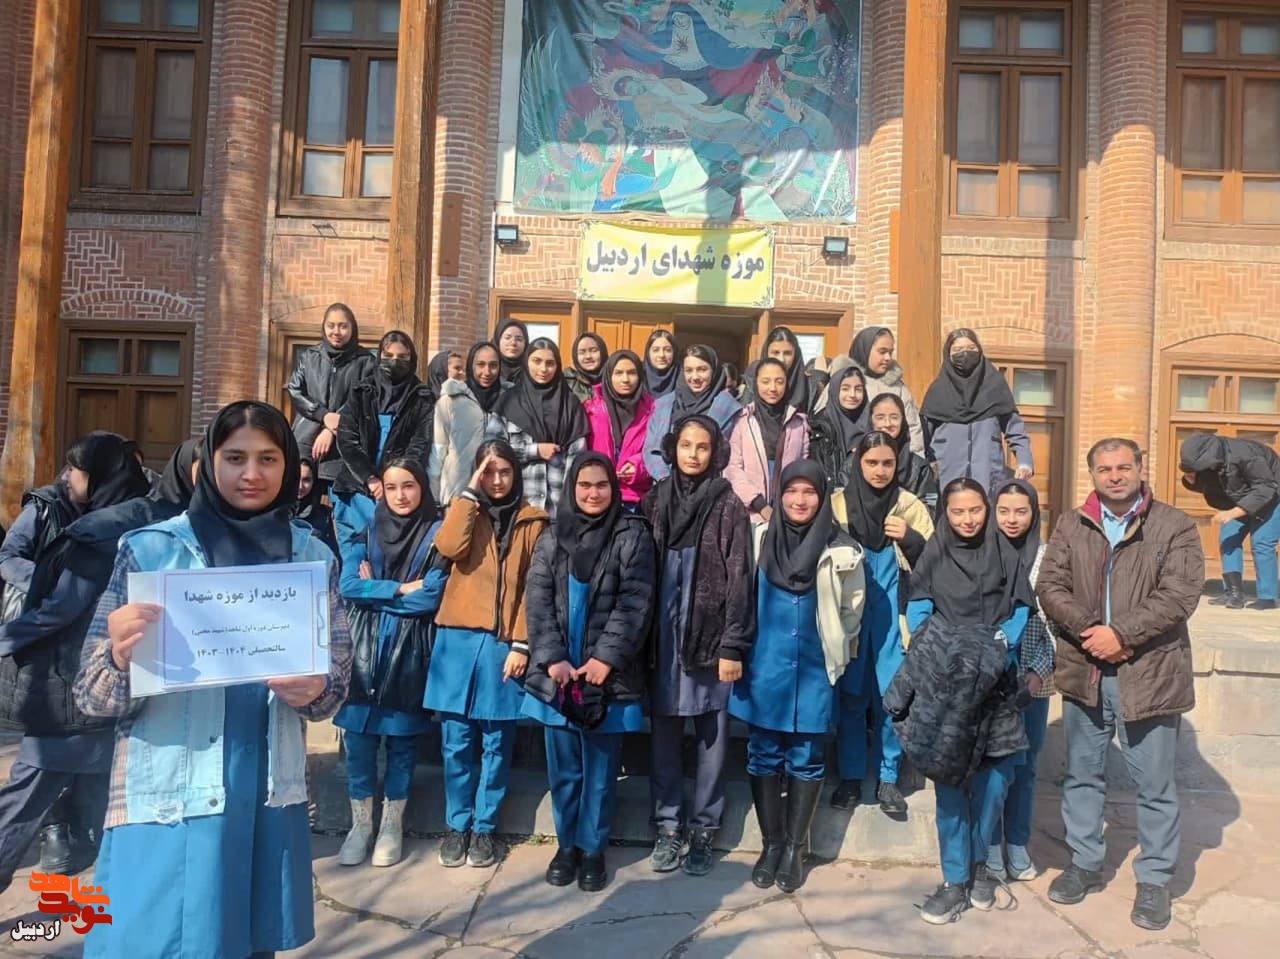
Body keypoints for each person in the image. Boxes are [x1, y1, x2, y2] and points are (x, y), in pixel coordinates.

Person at [73, 400, 353, 958]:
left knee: (247, 942)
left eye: (268, 458)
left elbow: (336, 683)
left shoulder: (311, 557)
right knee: (154, 941)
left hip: (264, 789)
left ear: (289, 465)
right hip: (167, 793)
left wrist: (318, 691)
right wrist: (120, 659)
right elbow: (89, 695)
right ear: (208, 463)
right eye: (235, 457)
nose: (252, 473)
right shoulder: (151, 551)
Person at [1037, 438, 1204, 932]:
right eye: (1105, 469)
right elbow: (1050, 586)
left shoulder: (1174, 525)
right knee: (1082, 776)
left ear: (1139, 468)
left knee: (1154, 785)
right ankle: (1085, 863)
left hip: (1149, 672)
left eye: (1123, 467)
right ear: (1092, 474)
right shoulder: (1072, 524)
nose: (1115, 476)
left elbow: (1180, 594)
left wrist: (1122, 635)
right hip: (1085, 668)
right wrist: (1093, 632)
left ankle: (1154, 880)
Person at [0, 433, 152, 892]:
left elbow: (61, 609)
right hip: (111, 684)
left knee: (23, 798)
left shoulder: (103, 533)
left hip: (72, 686)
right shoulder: (141, 518)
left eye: (77, 470)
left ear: (101, 475)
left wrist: (6, 639)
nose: (68, 477)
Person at [891, 478, 1032, 924]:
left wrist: (998, 645)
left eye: (975, 510)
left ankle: (979, 866)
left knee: (995, 783)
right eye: (958, 511)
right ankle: (955, 880)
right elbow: (919, 607)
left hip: (995, 684)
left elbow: (1021, 608)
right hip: (946, 687)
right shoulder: (934, 552)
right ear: (945, 514)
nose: (968, 519)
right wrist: (939, 648)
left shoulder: (1005, 553)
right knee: (950, 785)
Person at [523, 453, 655, 892]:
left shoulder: (631, 534)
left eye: (601, 485)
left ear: (613, 489)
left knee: (600, 771)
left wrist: (605, 658)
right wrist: (553, 658)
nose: (593, 493)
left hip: (606, 677)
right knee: (564, 770)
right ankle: (567, 847)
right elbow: (537, 600)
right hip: (559, 675)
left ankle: (593, 847)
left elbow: (635, 600)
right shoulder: (551, 536)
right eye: (584, 485)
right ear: (571, 489)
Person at [732, 460, 865, 893]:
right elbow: (740, 596)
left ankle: (794, 847)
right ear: (779, 494)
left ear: (822, 498)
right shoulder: (758, 540)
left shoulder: (842, 550)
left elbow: (852, 609)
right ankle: (771, 844)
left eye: (809, 492)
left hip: (813, 669)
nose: (799, 500)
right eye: (791, 491)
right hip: (765, 666)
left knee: (807, 757)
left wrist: (838, 647)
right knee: (763, 754)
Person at [424, 441, 549, 870]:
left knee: (497, 742)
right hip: (457, 639)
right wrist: (468, 494)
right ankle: (456, 824)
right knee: (455, 742)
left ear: (517, 474)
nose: (497, 480)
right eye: (488, 472)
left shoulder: (533, 521)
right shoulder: (466, 512)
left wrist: (522, 643)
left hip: (502, 644)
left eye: (504, 472)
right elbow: (448, 547)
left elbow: (535, 587)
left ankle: (484, 827)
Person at [640, 416, 754, 878]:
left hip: (709, 637)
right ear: (672, 449)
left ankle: (705, 828)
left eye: (702, 446)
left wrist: (733, 645)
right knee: (664, 736)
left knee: (712, 737)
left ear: (715, 453)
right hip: (663, 638)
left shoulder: (729, 506)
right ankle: (667, 826)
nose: (692, 454)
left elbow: (740, 578)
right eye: (685, 445)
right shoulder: (654, 501)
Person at [335, 458, 448, 869]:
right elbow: (349, 586)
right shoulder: (366, 533)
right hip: (363, 653)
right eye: (393, 487)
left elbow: (431, 596)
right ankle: (360, 825)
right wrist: (400, 588)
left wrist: (376, 592)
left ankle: (391, 825)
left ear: (422, 488)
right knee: (359, 744)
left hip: (408, 652)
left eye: (409, 486)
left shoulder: (437, 537)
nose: (401, 495)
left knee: (402, 745)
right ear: (381, 490)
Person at [829, 431, 934, 816]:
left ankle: (888, 776)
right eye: (871, 462)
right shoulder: (838, 505)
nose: (879, 471)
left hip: (894, 616)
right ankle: (851, 777)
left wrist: (911, 539)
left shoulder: (909, 506)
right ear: (858, 462)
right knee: (852, 695)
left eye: (887, 463)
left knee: (893, 695)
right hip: (851, 616)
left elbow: (936, 564)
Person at [986, 479, 1056, 883]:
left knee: (1026, 766)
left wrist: (1036, 675)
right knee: (992, 765)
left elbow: (1056, 624)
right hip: (988, 680)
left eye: (1021, 511)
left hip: (1034, 681)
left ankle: (1016, 841)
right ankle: (989, 843)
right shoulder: (981, 553)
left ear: (1034, 514)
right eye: (1004, 511)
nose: (1012, 519)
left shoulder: (1048, 559)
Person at [333, 330, 434, 547]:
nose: (395, 362)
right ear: (379, 356)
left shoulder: (422, 398)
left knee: (385, 550)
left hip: (397, 493)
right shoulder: (361, 391)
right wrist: (370, 478)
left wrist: (392, 484)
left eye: (402, 357)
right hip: (356, 487)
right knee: (354, 553)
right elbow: (347, 439)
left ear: (412, 359)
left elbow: (419, 444)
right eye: (388, 356)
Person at [486, 338, 589, 520]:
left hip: (557, 511)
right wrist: (535, 451)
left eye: (550, 363)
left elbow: (577, 459)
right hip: (517, 509)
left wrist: (569, 505)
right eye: (537, 361)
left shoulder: (570, 405)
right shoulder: (508, 402)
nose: (543, 369)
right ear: (527, 362)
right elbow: (492, 452)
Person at [921, 328, 1033, 493]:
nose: (965, 354)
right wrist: (928, 472)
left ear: (980, 351)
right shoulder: (938, 391)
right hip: (947, 480)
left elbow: (1015, 431)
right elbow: (922, 438)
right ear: (948, 355)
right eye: (958, 350)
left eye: (971, 348)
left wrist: (1025, 462)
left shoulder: (995, 386)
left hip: (987, 478)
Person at [1179, 432, 1280, 609]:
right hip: (1242, 500)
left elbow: (1266, 487)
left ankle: (1267, 597)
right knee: (1228, 539)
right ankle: (1234, 593)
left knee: (1262, 542)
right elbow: (1213, 488)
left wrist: (1234, 512)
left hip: (1274, 496)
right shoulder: (1210, 463)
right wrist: (1192, 480)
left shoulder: (1246, 454)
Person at [286, 303, 376, 496]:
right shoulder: (310, 356)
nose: (336, 332)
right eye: (331, 325)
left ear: (352, 328)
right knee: (301, 501)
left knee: (340, 503)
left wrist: (332, 428)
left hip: (343, 445)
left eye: (343, 326)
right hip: (306, 441)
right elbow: (295, 389)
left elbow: (363, 399)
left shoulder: (366, 361)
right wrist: (323, 415)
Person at [726, 359, 810, 525]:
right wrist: (760, 505)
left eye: (779, 381)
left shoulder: (798, 423)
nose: (773, 388)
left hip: (788, 513)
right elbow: (733, 469)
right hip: (748, 515)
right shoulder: (742, 420)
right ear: (755, 383)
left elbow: (803, 466)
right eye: (766, 381)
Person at [643, 346, 742, 483]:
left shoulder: (730, 409)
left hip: (710, 487)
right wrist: (666, 480)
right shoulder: (664, 405)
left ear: (714, 371)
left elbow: (733, 457)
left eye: (702, 369)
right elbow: (651, 450)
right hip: (665, 485)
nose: (695, 377)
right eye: (689, 370)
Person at [431, 342, 504, 506]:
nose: (487, 372)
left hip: (497, 496)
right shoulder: (450, 401)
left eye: (493, 365)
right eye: (480, 365)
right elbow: (437, 452)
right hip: (457, 496)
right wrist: (434, 499)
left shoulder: (510, 400)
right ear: (471, 366)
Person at [583, 350, 656, 507]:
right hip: (597, 494)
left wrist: (638, 466)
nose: (625, 379)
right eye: (618, 373)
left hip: (636, 497)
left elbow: (657, 451)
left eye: (631, 373)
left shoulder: (652, 409)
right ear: (609, 375)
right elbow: (581, 452)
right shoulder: (591, 409)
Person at [841, 326, 924, 455]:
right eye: (882, 351)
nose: (888, 357)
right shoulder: (842, 383)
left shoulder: (898, 388)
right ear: (865, 350)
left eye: (890, 352)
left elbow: (913, 430)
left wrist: (916, 463)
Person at [863, 393, 939, 511]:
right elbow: (842, 504)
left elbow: (931, 503)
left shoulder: (919, 467)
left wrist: (904, 520)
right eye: (880, 417)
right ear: (871, 421)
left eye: (894, 417)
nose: (887, 423)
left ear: (903, 420)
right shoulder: (854, 463)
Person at [809, 365, 868, 486]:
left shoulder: (873, 424)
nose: (852, 394)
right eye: (845, 389)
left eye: (858, 389)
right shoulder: (820, 428)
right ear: (835, 390)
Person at [295, 458, 339, 558]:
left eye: (306, 480)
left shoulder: (323, 515)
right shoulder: (274, 514)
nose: (300, 486)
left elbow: (332, 556)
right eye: (296, 479)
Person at [565, 332, 609, 403]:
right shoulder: (567, 382)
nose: (588, 356)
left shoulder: (612, 380)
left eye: (593, 351)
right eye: (582, 352)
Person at [643, 329, 680, 397]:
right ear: (648, 353)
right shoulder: (639, 376)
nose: (661, 355)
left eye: (667, 350)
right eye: (656, 350)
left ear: (674, 352)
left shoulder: (683, 377)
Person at [494, 319, 529, 385]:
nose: (513, 343)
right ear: (498, 340)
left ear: (525, 343)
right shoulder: (488, 368)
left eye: (519, 339)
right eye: (507, 338)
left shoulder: (531, 372)